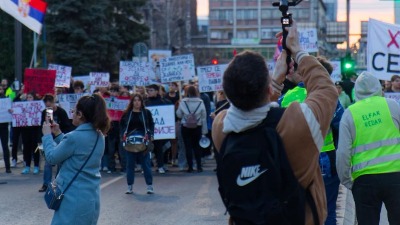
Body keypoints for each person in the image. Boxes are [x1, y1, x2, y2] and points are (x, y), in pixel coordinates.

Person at [212, 20, 338, 225]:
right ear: (269, 90)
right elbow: (326, 90)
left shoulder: (220, 128)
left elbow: (251, 110)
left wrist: (276, 79)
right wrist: (298, 50)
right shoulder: (297, 123)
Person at [279, 56, 344, 225]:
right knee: (328, 210)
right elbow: (341, 126)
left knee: (300, 209)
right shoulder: (329, 98)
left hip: (294, 159)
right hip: (325, 157)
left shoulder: (287, 96)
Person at [336, 71, 400, 225]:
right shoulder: (392, 105)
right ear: (379, 87)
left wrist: (346, 180)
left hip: (364, 180)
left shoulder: (349, 113)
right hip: (395, 176)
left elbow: (343, 152)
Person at [41, 94, 110, 225]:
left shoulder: (74, 137)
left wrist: (47, 136)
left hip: (72, 199)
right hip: (91, 197)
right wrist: (58, 134)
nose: (71, 113)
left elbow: (51, 158)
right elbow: (78, 152)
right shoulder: (100, 136)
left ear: (80, 114)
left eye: (73, 111)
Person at [120, 93, 155, 194]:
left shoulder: (146, 113)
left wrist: (151, 134)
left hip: (143, 142)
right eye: (134, 100)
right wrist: (123, 135)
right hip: (130, 142)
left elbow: (151, 124)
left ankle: (149, 186)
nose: (137, 102)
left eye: (138, 100)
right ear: (132, 102)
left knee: (146, 164)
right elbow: (122, 126)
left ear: (141, 102)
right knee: (130, 165)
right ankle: (130, 186)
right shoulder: (127, 113)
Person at [38, 94, 73, 192]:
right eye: (46, 103)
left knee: (60, 162)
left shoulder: (61, 112)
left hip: (60, 137)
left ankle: (58, 183)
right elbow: (43, 126)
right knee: (48, 161)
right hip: (50, 138)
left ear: (54, 102)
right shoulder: (45, 113)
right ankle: (46, 184)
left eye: (50, 102)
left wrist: (60, 132)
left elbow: (67, 125)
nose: (49, 104)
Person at [176, 85, 208, 173]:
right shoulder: (200, 102)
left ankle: (190, 167)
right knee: (197, 147)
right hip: (197, 126)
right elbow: (203, 117)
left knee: (187, 147)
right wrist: (204, 131)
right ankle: (199, 166)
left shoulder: (183, 102)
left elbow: (178, 114)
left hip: (185, 126)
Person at [144, 84, 172, 173]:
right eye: (148, 90)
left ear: (157, 91)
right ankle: (147, 166)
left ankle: (161, 165)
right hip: (149, 129)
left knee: (160, 148)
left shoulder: (164, 102)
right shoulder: (145, 103)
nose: (149, 92)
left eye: (151, 90)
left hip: (160, 131)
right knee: (146, 148)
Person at [20, 92, 41, 174]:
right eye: (28, 97)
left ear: (34, 98)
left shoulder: (37, 106)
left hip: (34, 130)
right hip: (25, 130)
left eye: (30, 97)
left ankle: (36, 166)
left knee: (35, 148)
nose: (29, 99)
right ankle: (27, 166)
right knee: (26, 149)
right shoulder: (23, 107)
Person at [0, 85, 11, 173]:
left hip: (3, 126)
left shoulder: (6, 99)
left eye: (0, 89)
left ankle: (8, 167)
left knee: (5, 146)